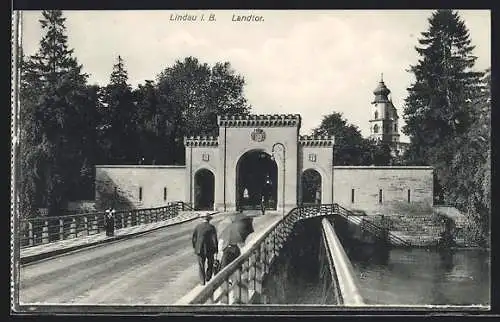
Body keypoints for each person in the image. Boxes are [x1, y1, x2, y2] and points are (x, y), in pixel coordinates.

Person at [192, 213, 218, 285]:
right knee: (210, 263)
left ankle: (202, 281)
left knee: (201, 265)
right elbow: (214, 239)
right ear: (209, 219)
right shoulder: (211, 227)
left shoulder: (198, 227)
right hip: (210, 248)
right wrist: (216, 249)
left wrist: (195, 247)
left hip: (199, 249)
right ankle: (208, 277)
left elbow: (194, 238)